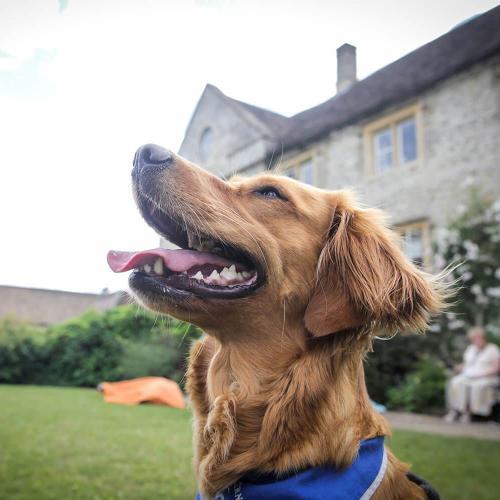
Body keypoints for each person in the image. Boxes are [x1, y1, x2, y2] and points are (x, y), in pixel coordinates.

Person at [445, 327, 500, 423]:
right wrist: (457, 368)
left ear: (483, 337)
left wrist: (481, 375)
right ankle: (456, 410)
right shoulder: (471, 349)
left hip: (487, 377)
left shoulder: (493, 349)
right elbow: (467, 365)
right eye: (474, 339)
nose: (476, 340)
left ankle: (471, 413)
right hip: (469, 375)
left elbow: (496, 368)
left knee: (475, 386)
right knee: (455, 382)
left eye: (478, 338)